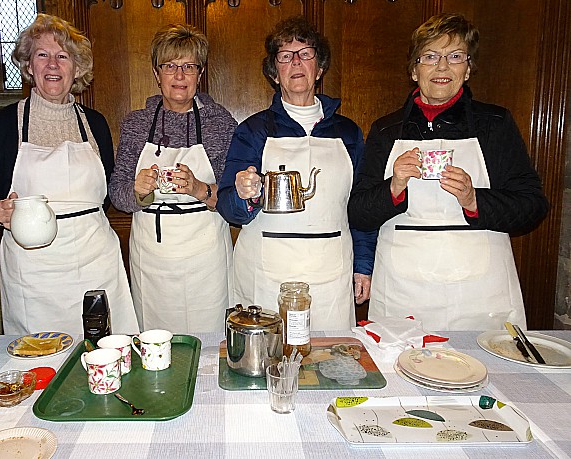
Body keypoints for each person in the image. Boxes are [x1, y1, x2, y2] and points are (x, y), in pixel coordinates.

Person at [347, 13, 548, 331]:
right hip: (403, 294)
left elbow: (532, 207)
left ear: (467, 69)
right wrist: (394, 186)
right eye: (430, 56)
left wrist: (473, 200)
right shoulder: (386, 130)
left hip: (479, 297)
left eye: (454, 56)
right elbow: (357, 214)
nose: (442, 67)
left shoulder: (494, 125)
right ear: (414, 70)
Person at [0, 14, 139, 337]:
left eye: (62, 57)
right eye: (42, 55)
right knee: (39, 359)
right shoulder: (1, 125)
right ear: (28, 65)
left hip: (96, 260)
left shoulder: (96, 124)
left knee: (105, 348)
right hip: (33, 268)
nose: (52, 65)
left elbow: (102, 197)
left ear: (76, 69)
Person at [216, 16, 376, 330]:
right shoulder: (254, 130)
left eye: (306, 54)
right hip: (266, 271)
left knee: (330, 362)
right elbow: (227, 206)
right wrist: (243, 195)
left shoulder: (348, 132)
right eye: (285, 56)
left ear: (320, 67)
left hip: (331, 271)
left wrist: (364, 265)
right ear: (275, 73)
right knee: (267, 360)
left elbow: (361, 208)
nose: (296, 62)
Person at [109, 24, 237, 333]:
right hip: (151, 259)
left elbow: (234, 200)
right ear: (157, 73)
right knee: (156, 343)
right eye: (170, 66)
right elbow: (116, 193)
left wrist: (198, 188)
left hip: (206, 260)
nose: (179, 76)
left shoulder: (219, 124)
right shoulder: (137, 124)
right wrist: (139, 192)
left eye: (188, 66)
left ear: (200, 72)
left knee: (210, 342)